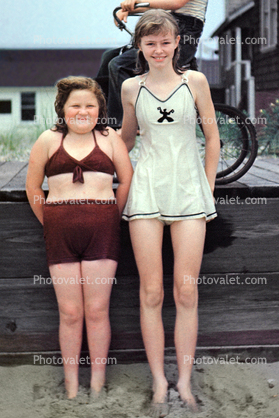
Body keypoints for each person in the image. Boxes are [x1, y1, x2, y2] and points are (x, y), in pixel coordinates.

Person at [121, 9, 220, 417]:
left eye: (165, 42)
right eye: (150, 43)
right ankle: (160, 383)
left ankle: (184, 381)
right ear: (140, 46)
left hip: (188, 194)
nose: (158, 49)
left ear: (177, 42)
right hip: (146, 193)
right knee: (151, 292)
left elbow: (212, 138)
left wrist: (206, 188)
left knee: (185, 291)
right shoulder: (130, 87)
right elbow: (124, 140)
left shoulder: (193, 81)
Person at [26, 76, 133, 399]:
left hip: (102, 228)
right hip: (59, 229)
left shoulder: (109, 137)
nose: (83, 111)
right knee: (70, 312)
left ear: (100, 109)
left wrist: (110, 216)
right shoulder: (48, 139)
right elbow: (33, 188)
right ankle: (72, 386)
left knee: (97, 310)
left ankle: (97, 383)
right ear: (63, 109)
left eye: (90, 105)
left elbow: (126, 181)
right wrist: (51, 221)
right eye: (76, 105)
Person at [96, 0, 208, 127]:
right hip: (164, 26)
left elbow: (175, 3)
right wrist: (128, 10)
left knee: (118, 65)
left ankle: (121, 124)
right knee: (109, 56)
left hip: (182, 34)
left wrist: (137, 2)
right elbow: (161, 6)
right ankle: (99, 114)